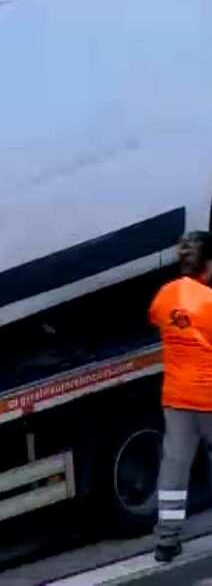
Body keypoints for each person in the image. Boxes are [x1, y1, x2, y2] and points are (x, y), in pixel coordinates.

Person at [150, 230, 212, 562]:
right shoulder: (210, 303)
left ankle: (166, 541)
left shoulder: (164, 296)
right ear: (208, 266)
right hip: (209, 396)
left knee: (174, 469)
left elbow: (156, 318)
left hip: (176, 398)